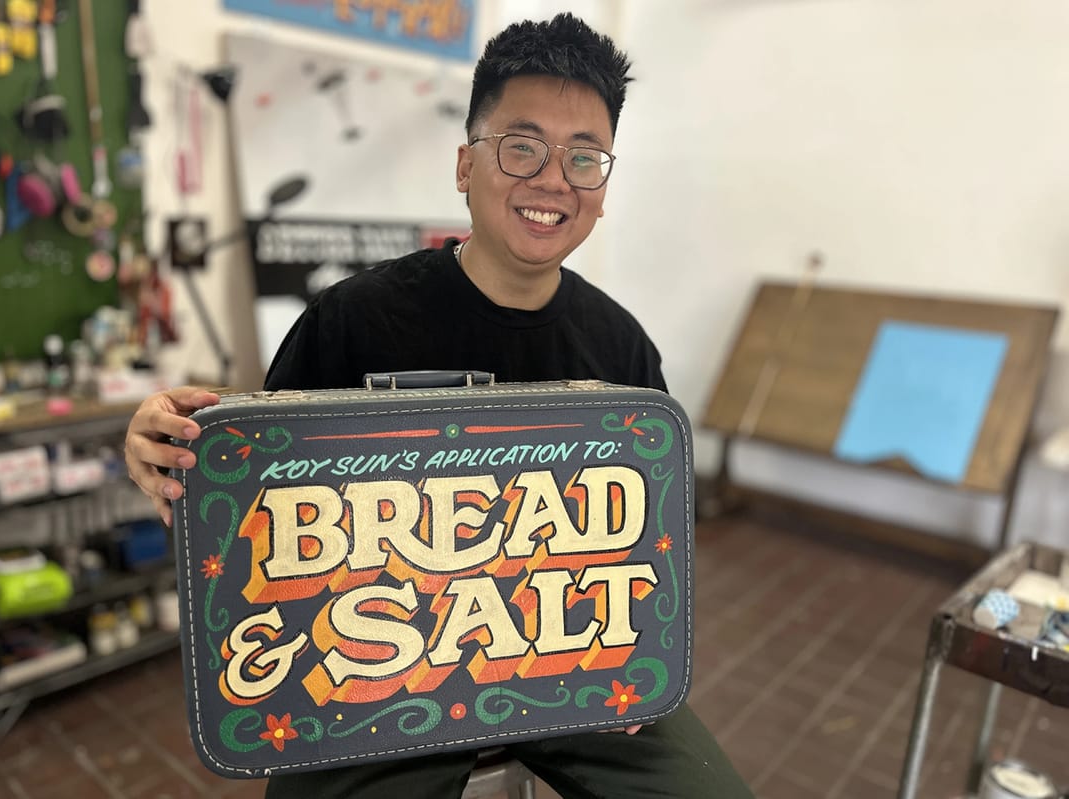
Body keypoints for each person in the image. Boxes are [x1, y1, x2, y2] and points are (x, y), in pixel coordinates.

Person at [124, 13, 754, 799]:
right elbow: (244, 525)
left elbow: (652, 545)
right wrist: (165, 460)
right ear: (465, 164)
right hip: (376, 677)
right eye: (521, 146)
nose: (553, 178)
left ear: (602, 184)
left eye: (583, 156)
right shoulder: (353, 320)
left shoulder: (620, 351)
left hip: (572, 662)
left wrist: (637, 651)